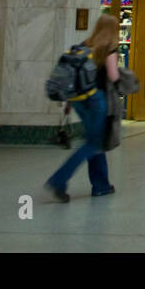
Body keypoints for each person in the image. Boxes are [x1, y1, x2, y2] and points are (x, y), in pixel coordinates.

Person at [46, 13, 120, 201]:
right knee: (93, 144)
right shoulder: (109, 47)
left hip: (79, 100)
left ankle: (101, 185)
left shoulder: (85, 45)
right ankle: (59, 179)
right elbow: (113, 76)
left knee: (96, 142)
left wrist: (69, 104)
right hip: (96, 100)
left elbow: (76, 76)